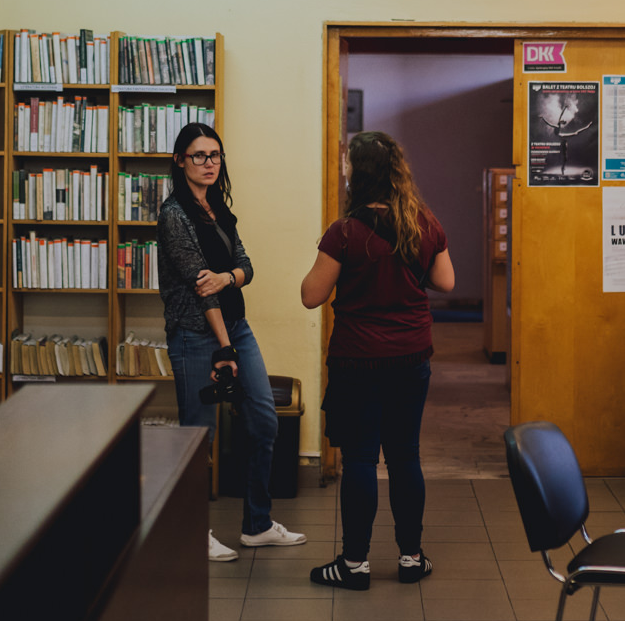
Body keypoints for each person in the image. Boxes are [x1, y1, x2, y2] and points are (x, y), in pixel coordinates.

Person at [299, 131, 456, 590]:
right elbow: (446, 282)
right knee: (406, 455)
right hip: (411, 358)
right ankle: (411, 558)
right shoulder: (425, 224)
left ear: (357, 175)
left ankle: (354, 565)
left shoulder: (344, 233)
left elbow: (311, 296)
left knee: (361, 459)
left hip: (359, 361)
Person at [159, 122, 305, 562]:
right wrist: (224, 349)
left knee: (264, 419)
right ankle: (190, 532)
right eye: (199, 155)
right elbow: (201, 289)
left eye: (215, 155)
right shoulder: (175, 215)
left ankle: (257, 525)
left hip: (235, 327)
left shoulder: (218, 208)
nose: (209, 163)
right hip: (196, 334)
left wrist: (229, 276)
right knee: (198, 436)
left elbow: (245, 266)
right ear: (180, 161)